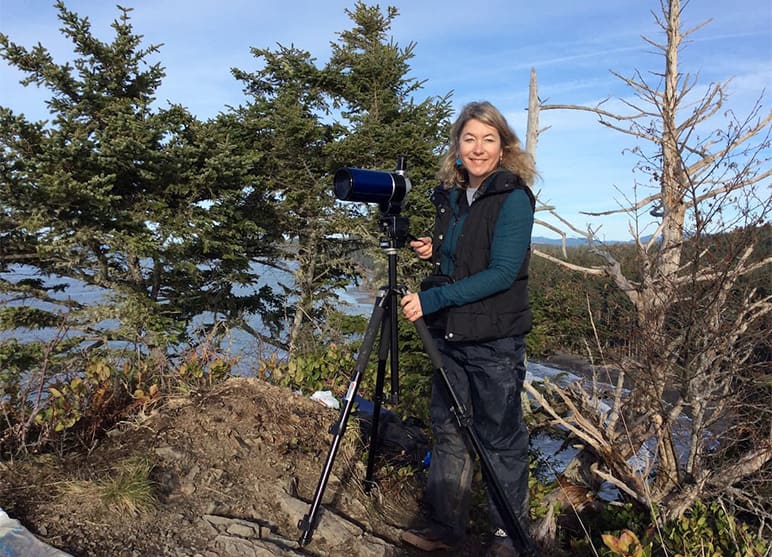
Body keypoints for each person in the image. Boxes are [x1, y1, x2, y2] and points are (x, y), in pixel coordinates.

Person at [399, 101, 537, 557]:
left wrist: (431, 299)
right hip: (452, 336)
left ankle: (507, 539)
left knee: (500, 441)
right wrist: (434, 252)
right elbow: (463, 261)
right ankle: (447, 528)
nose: (478, 148)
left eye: (488, 139)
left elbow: (500, 273)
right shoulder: (456, 197)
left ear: (504, 147)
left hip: (494, 342)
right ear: (458, 147)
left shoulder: (512, 198)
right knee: (450, 432)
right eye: (470, 138)